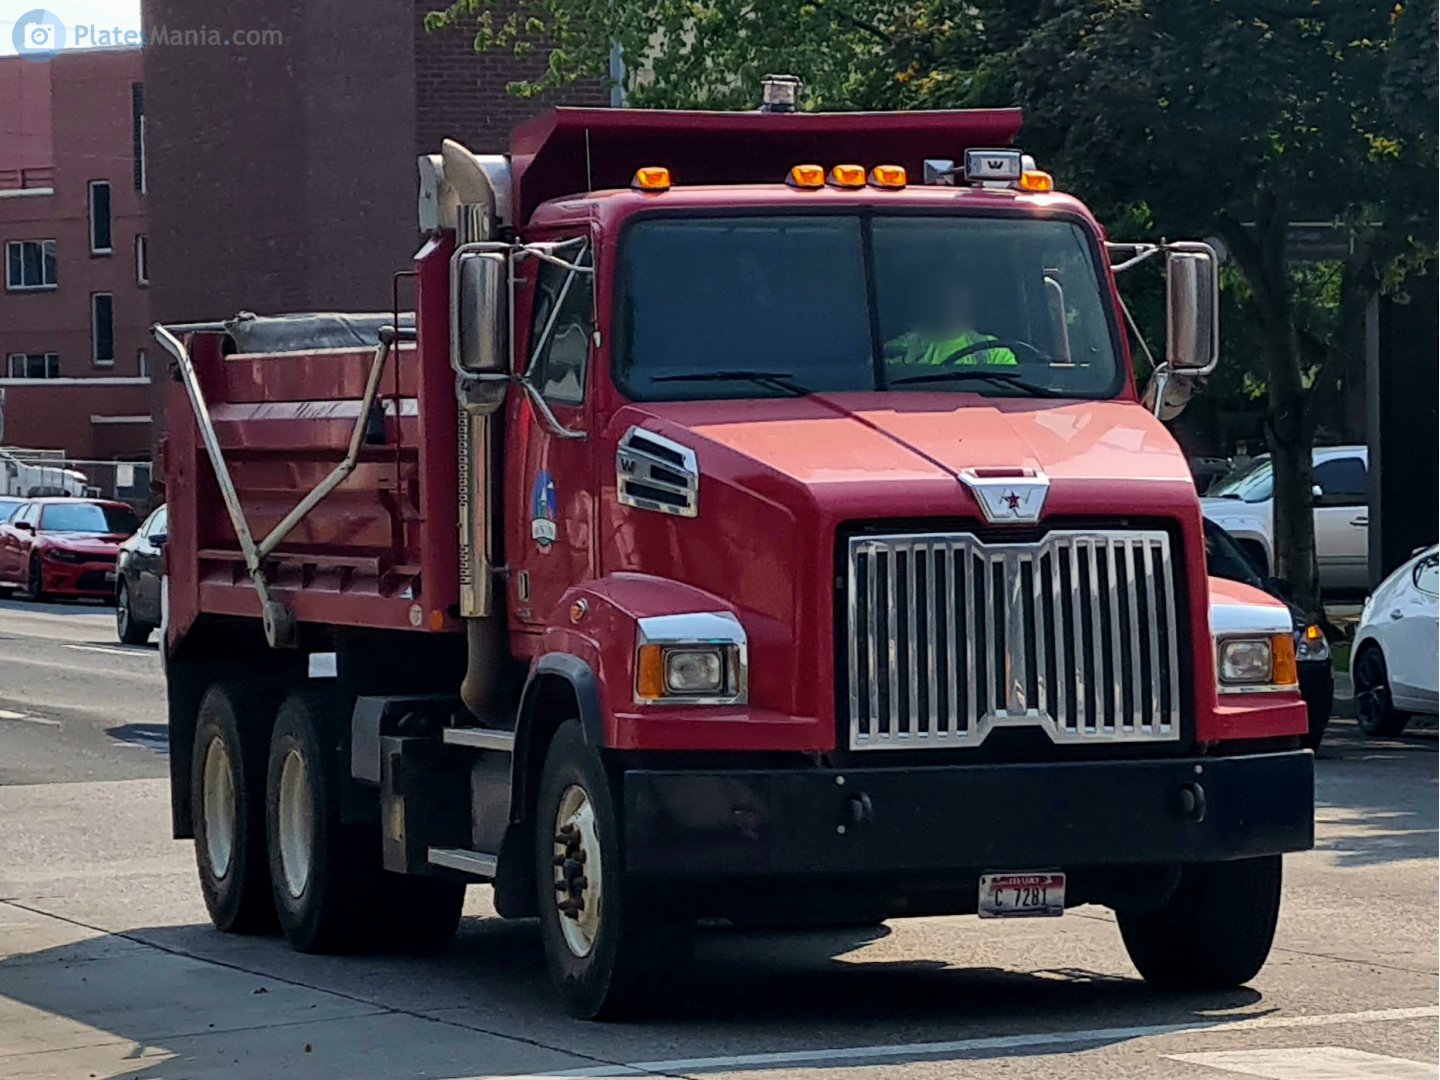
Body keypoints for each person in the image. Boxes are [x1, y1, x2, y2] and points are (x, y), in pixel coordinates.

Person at [885, 268, 1017, 369]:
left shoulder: (994, 352)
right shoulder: (897, 351)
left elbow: (1011, 397)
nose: (948, 303)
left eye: (955, 295)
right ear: (922, 300)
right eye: (939, 294)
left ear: (971, 301)